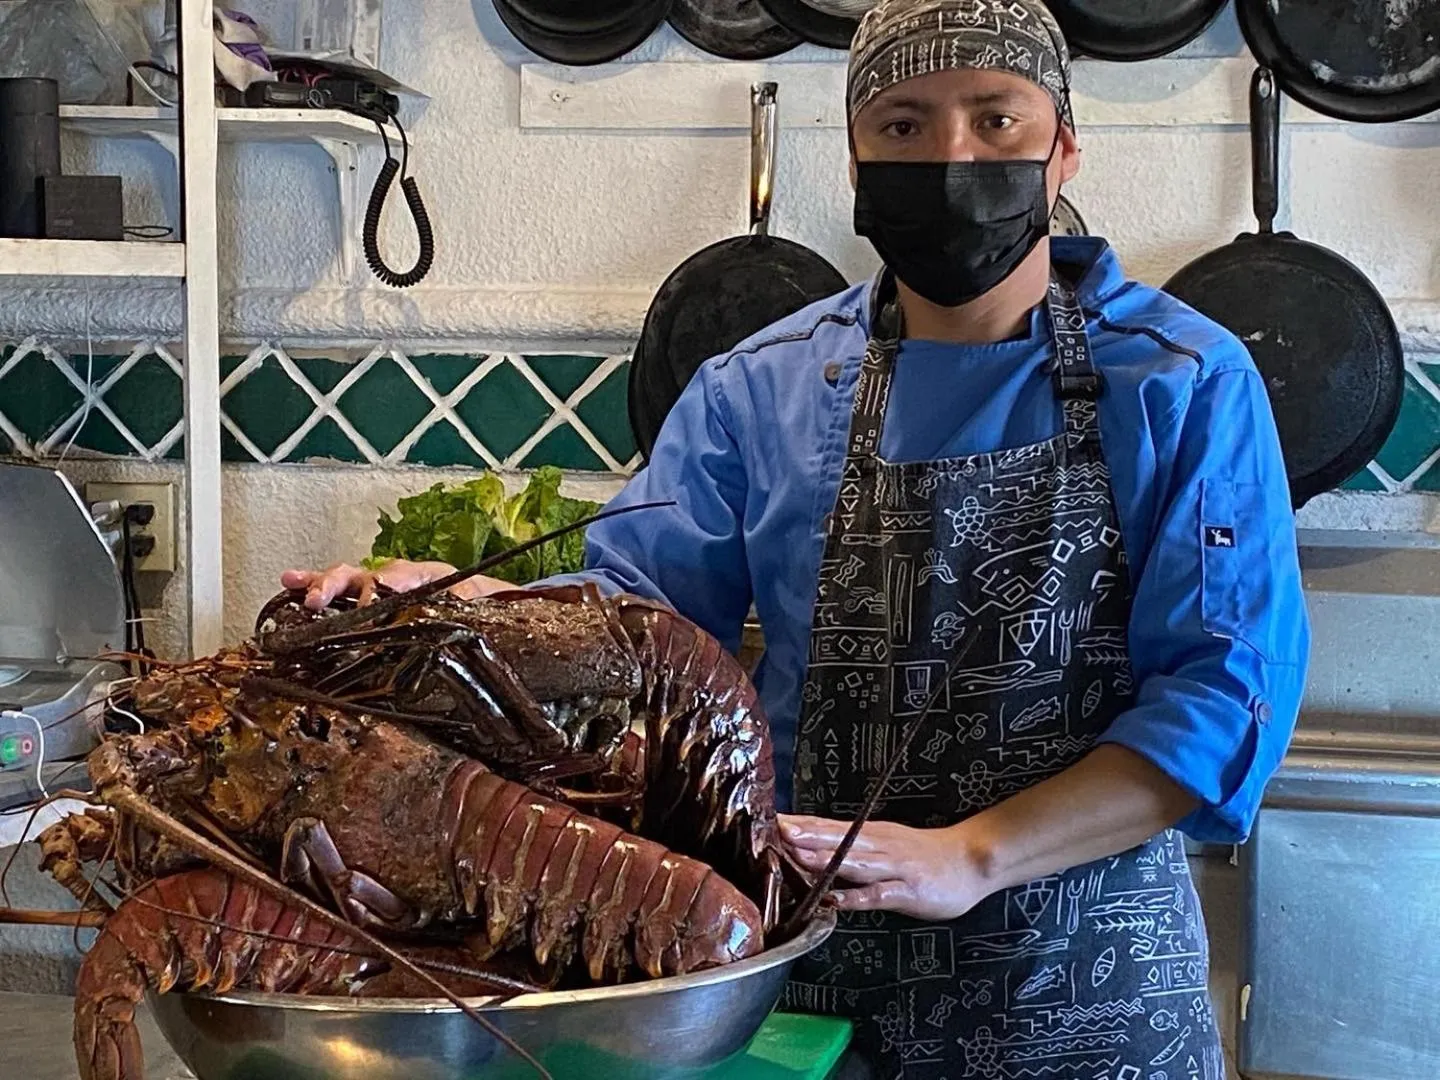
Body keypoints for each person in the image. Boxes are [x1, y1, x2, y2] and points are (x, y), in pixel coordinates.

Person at [286, 1, 1308, 1074]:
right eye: (905, 125)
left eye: (996, 119)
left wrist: (973, 855)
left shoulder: (1182, 381)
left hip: (1087, 989)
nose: (953, 156)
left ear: (1062, 150)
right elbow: (636, 627)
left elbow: (1223, 696)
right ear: (858, 157)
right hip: (806, 982)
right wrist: (455, 604)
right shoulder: (760, 389)